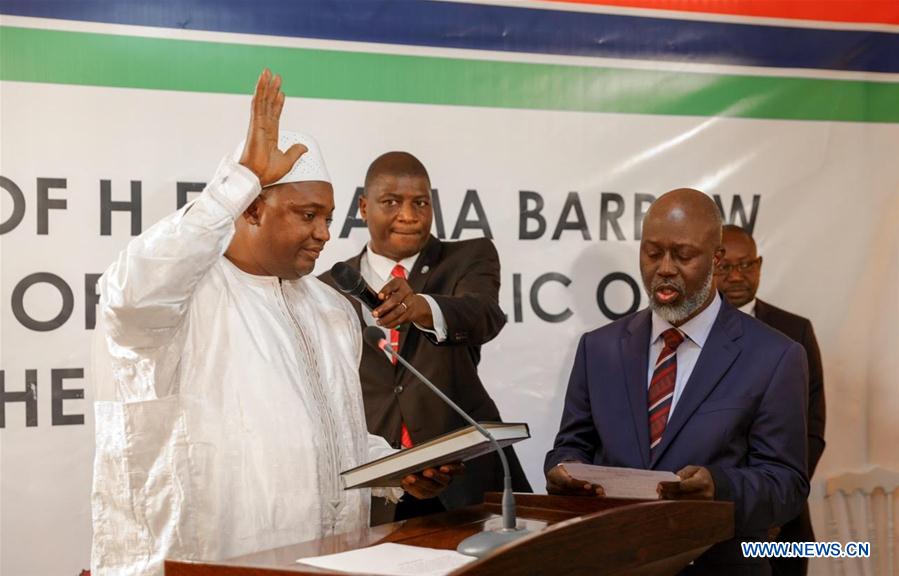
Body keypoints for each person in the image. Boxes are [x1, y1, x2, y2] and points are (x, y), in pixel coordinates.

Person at [90, 70, 456, 576]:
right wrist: (235, 183)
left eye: (328, 217)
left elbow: (335, 440)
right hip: (201, 564)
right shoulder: (181, 299)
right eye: (308, 215)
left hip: (327, 562)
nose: (325, 233)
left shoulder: (329, 309)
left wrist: (395, 470)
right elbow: (130, 296)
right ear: (253, 210)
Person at [545, 188, 809, 575]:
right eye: (652, 253)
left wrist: (718, 487)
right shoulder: (598, 348)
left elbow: (786, 486)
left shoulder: (775, 356)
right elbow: (571, 445)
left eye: (683, 255)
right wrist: (563, 470)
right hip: (612, 561)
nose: (664, 268)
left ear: (716, 260)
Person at [320, 151, 531, 523]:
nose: (409, 215)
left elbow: (483, 314)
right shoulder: (327, 289)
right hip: (381, 487)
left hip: (466, 480)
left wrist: (421, 307)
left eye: (420, 202)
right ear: (364, 207)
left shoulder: (468, 257)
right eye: (391, 202)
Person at [718, 224, 826, 576]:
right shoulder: (687, 334)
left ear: (760, 265)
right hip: (711, 517)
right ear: (708, 266)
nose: (737, 276)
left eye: (746, 264)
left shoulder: (795, 331)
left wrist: (776, 504)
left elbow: (811, 429)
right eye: (725, 266)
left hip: (784, 521)